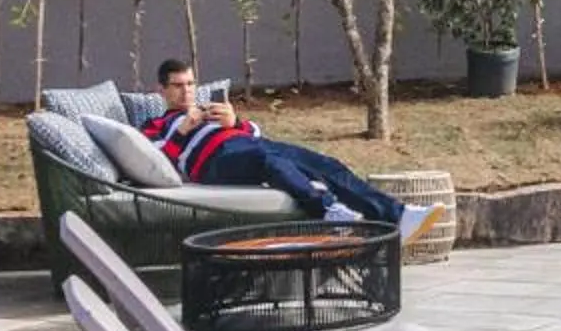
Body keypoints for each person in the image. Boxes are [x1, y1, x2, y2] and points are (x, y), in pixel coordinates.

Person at [139, 60, 437, 246]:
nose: (187, 91)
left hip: (247, 145)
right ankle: (328, 211)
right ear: (161, 90)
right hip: (213, 163)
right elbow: (157, 161)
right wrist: (183, 130)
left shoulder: (211, 110)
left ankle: (399, 215)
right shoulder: (155, 124)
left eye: (191, 84)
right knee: (267, 161)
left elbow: (255, 133)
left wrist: (235, 122)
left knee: (324, 163)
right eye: (178, 86)